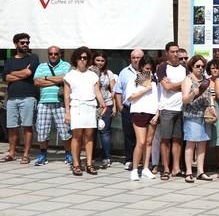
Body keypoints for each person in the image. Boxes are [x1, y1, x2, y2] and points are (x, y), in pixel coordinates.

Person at [63, 47, 107, 176]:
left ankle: (89, 163)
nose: (82, 60)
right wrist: (67, 112)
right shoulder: (70, 75)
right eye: (80, 57)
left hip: (90, 105)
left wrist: (102, 103)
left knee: (89, 136)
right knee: (76, 136)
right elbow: (66, 95)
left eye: (85, 58)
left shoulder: (92, 75)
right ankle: (76, 164)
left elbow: (97, 91)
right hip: (76, 106)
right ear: (75, 59)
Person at [33, 46, 72, 166]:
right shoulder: (41, 66)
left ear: (60, 54)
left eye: (55, 54)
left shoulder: (66, 65)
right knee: (42, 130)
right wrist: (57, 80)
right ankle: (43, 155)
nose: (53, 56)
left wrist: (45, 78)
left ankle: (68, 154)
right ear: (48, 54)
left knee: (65, 130)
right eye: (50, 54)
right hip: (44, 102)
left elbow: (67, 79)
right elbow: (36, 82)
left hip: (60, 102)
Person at [3, 33, 39, 164]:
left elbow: (29, 73)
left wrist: (13, 73)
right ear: (16, 44)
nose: (25, 45)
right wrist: (22, 73)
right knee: (12, 127)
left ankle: (26, 154)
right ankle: (12, 153)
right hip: (12, 97)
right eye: (22, 42)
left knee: (27, 126)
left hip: (28, 96)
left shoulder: (33, 58)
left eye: (27, 43)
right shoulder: (9, 60)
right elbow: (6, 77)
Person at [124, 55, 159, 181]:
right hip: (138, 112)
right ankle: (134, 169)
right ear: (141, 67)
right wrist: (145, 90)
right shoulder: (134, 79)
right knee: (141, 142)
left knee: (149, 142)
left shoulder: (155, 80)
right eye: (146, 69)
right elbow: (130, 97)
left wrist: (157, 114)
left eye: (150, 69)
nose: (148, 71)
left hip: (152, 113)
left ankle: (145, 168)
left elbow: (158, 98)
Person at [155, 42, 186, 179]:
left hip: (181, 108)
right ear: (167, 53)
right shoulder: (162, 68)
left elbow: (188, 85)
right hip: (167, 108)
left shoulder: (184, 68)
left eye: (177, 51)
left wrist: (174, 85)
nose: (175, 54)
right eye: (172, 52)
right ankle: (166, 168)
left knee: (178, 139)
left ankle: (176, 168)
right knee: (165, 139)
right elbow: (166, 88)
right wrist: (182, 83)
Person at [181, 55, 214, 183]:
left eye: (202, 66)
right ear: (192, 66)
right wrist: (193, 93)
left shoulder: (205, 80)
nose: (200, 68)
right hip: (192, 115)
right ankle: (189, 172)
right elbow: (185, 100)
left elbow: (210, 96)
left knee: (202, 143)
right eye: (197, 66)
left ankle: (200, 171)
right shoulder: (188, 80)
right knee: (190, 143)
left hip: (204, 115)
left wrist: (212, 107)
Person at [113, 49, 145, 171]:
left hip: (141, 108)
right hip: (128, 108)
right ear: (130, 59)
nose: (136, 60)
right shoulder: (124, 72)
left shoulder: (145, 72)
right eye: (134, 58)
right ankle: (129, 159)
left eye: (138, 57)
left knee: (141, 137)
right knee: (128, 135)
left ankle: (141, 160)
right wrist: (120, 106)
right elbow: (118, 91)